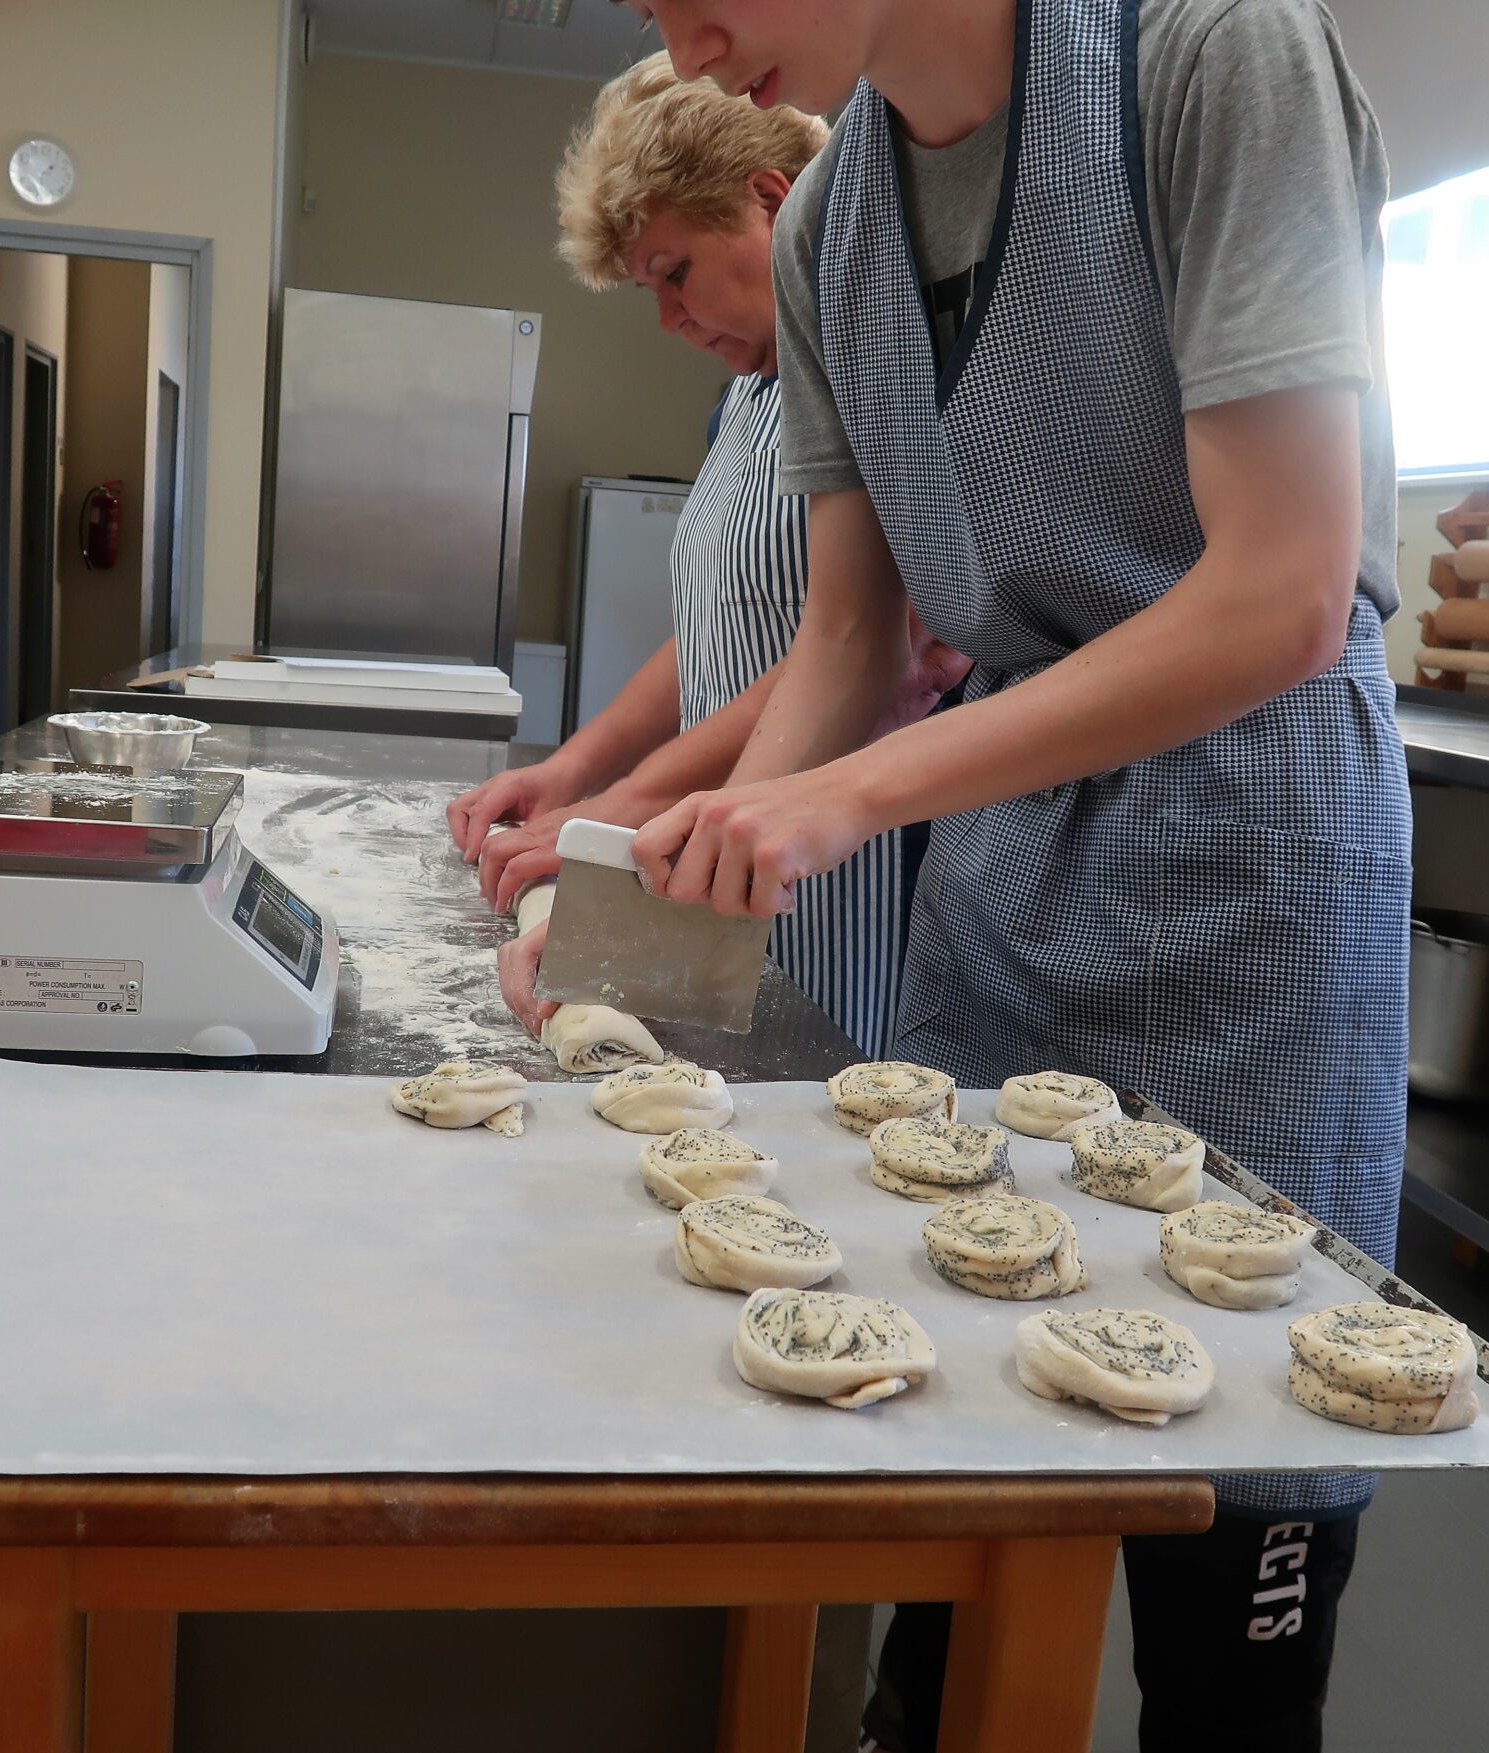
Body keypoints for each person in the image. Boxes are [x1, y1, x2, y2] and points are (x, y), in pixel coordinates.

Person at [615, 3, 1408, 1749]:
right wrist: (686, 889)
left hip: (1248, 857)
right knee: (963, 1414)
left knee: (1243, 1515)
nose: (681, 45)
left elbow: (1281, 588)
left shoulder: (1207, 60)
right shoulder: (832, 227)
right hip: (1004, 871)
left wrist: (848, 797)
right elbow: (849, 630)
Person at [446, 52, 967, 1054]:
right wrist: (582, 772)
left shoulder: (881, 370)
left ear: (770, 201)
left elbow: (864, 649)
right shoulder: (745, 402)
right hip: (723, 838)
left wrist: (631, 814)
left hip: (841, 865)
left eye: (675, 273)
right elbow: (719, 622)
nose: (669, 320)